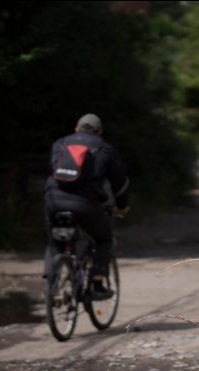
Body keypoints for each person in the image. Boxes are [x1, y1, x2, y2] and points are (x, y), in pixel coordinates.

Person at [43, 113, 130, 300]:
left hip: (53, 200)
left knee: (55, 240)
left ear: (76, 128)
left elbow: (53, 170)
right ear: (99, 131)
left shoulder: (60, 144)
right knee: (104, 240)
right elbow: (119, 182)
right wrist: (122, 206)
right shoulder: (105, 149)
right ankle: (97, 284)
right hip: (86, 204)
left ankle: (52, 274)